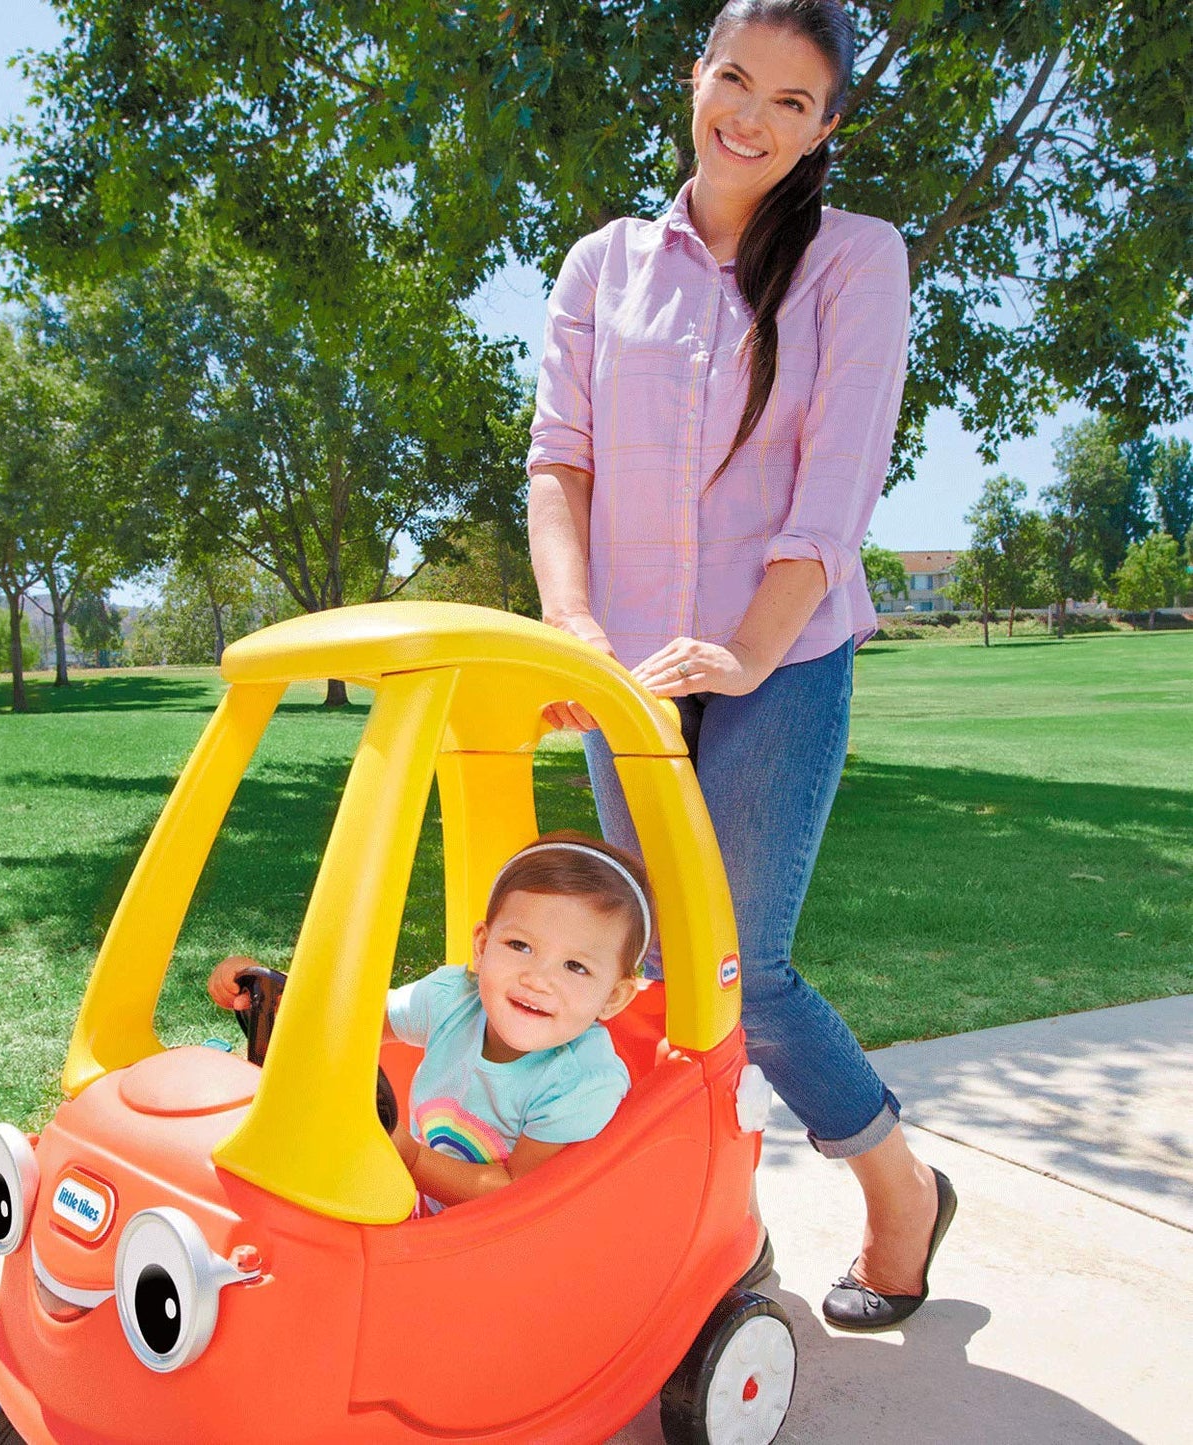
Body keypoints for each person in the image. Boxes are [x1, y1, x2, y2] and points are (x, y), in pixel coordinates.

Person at [526, 0, 955, 1330]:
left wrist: (753, 646)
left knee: (743, 971)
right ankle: (713, 1229)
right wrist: (576, 630)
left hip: (784, 655)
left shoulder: (853, 259)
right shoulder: (604, 264)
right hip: (629, 681)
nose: (749, 117)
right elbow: (560, 463)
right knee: (649, 972)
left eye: (789, 101)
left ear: (827, 127)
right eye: (732, 80)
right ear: (693, 77)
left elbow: (834, 485)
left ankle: (900, 1198)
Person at [213, 832, 651, 1214]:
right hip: (424, 1209)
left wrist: (408, 1156)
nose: (537, 979)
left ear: (613, 997)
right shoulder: (452, 1000)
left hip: (511, 1249)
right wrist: (269, 993)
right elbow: (350, 1025)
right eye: (520, 945)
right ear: (481, 947)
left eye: (575, 967)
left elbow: (520, 1194)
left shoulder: (582, 1081)